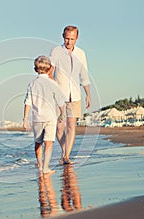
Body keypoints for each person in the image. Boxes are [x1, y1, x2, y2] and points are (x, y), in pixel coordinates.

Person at [50, 25, 91, 165]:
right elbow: (51, 71)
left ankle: (66, 156)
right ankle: (64, 151)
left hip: (75, 95)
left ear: (77, 38)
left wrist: (88, 94)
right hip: (59, 95)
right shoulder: (56, 51)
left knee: (71, 126)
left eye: (72, 39)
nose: (69, 42)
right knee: (59, 126)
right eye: (67, 38)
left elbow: (84, 75)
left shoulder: (81, 53)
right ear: (63, 36)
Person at [23, 55, 67, 174]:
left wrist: (25, 119)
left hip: (37, 118)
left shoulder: (32, 84)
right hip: (50, 117)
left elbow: (28, 102)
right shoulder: (52, 84)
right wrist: (62, 114)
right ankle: (46, 167)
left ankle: (40, 165)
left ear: (35, 69)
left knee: (38, 143)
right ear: (49, 69)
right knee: (49, 142)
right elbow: (60, 101)